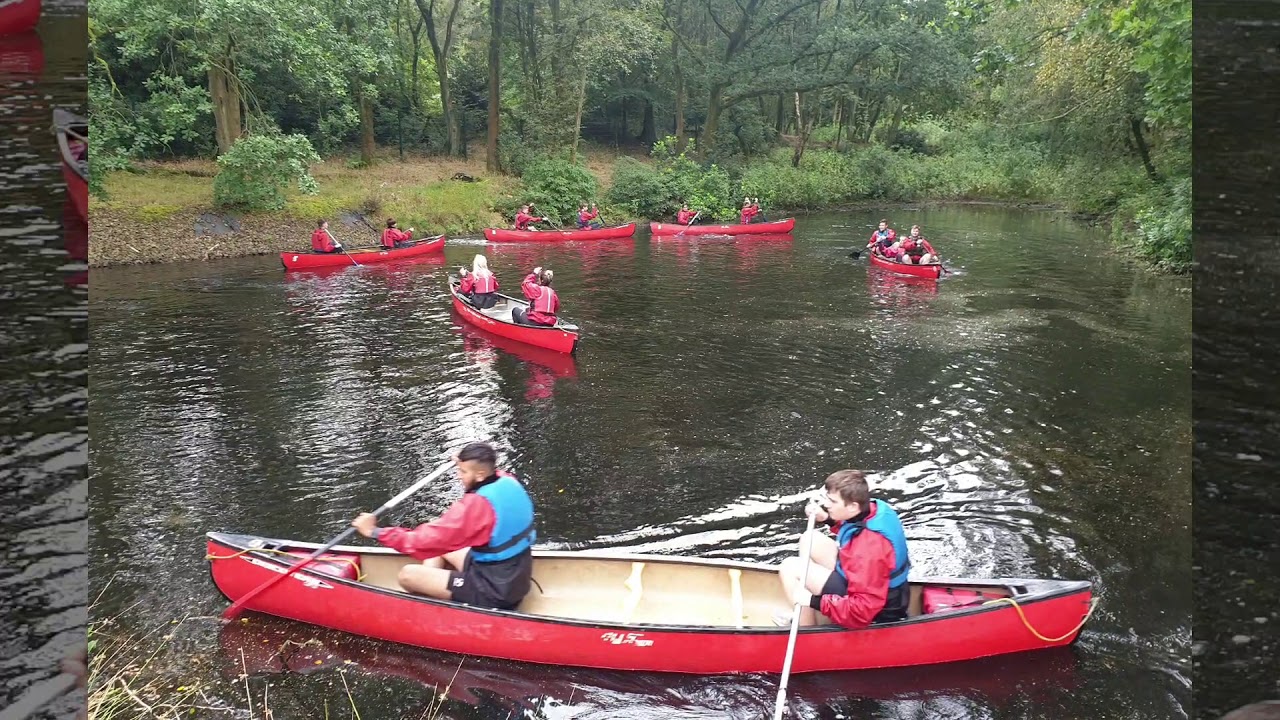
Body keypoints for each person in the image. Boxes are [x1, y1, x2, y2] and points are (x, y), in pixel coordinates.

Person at [351, 442, 536, 610]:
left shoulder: (477, 507)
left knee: (408, 575)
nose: (459, 476)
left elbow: (418, 542)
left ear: (480, 474)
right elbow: (438, 540)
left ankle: (434, 605)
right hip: (513, 574)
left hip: (494, 592)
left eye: (463, 472)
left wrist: (374, 531)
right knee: (443, 548)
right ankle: (433, 585)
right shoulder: (507, 480)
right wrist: (465, 462)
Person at [776, 469, 911, 629]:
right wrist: (827, 519)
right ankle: (804, 612)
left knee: (790, 567)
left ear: (853, 506)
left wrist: (812, 600)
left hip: (879, 609)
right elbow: (854, 528)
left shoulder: (869, 549)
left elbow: (862, 610)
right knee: (809, 538)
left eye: (833, 502)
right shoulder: (872, 508)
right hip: (866, 580)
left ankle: (806, 628)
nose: (826, 504)